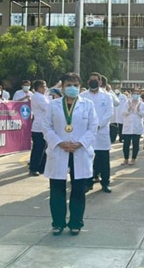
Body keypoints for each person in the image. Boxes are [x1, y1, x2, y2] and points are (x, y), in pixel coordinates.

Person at [43, 72, 97, 236]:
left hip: (79, 150)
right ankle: (58, 223)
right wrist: (59, 142)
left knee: (78, 189)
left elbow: (93, 127)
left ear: (80, 87)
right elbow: (46, 127)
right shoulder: (53, 105)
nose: (72, 88)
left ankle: (76, 223)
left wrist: (80, 143)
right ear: (63, 87)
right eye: (68, 85)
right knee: (57, 189)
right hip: (59, 150)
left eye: (75, 85)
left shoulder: (88, 105)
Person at [80, 72, 114, 193]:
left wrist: (99, 124)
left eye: (95, 80)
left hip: (102, 131)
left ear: (100, 82)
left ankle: (105, 183)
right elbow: (80, 112)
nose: (93, 82)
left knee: (103, 159)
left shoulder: (107, 96)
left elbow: (109, 112)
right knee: (88, 160)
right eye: (91, 80)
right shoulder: (82, 96)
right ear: (88, 82)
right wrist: (90, 126)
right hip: (87, 132)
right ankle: (88, 183)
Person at [121, 87, 144, 165]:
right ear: (131, 94)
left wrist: (139, 111)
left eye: (137, 94)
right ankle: (126, 159)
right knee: (126, 144)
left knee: (136, 144)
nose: (136, 95)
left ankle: (133, 158)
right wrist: (129, 109)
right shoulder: (127, 103)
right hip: (128, 126)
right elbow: (122, 113)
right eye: (134, 93)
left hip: (137, 126)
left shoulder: (142, 104)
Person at [29, 80, 50, 176]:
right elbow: (48, 107)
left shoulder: (41, 96)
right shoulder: (38, 97)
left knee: (44, 148)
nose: (45, 88)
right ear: (39, 87)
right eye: (44, 86)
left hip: (43, 126)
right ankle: (34, 168)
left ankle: (41, 167)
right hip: (39, 127)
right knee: (38, 149)